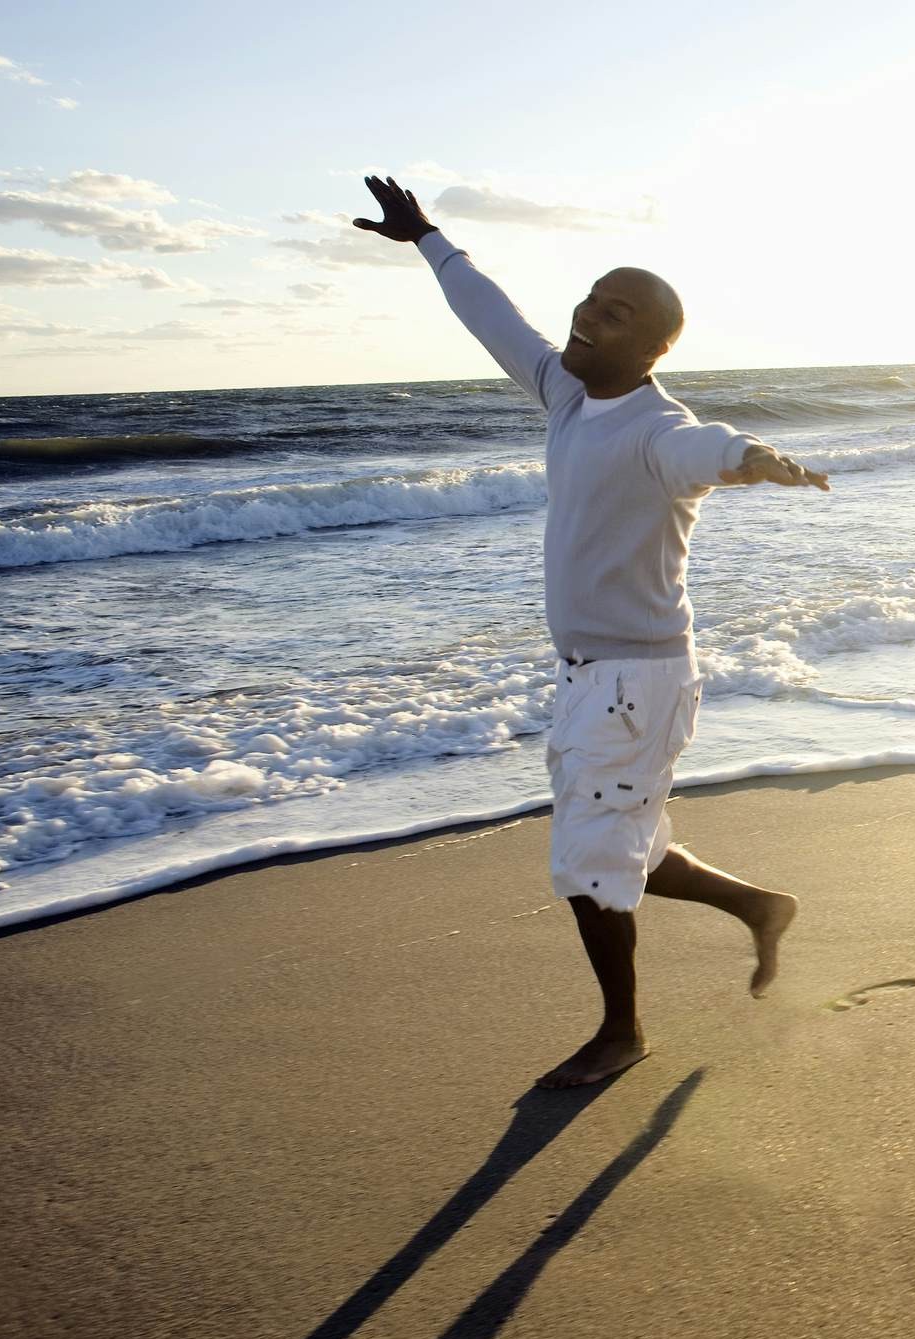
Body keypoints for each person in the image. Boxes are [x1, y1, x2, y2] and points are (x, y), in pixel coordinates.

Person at [355, 175, 830, 1089]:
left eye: (613, 315)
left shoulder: (659, 429)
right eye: (589, 300)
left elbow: (707, 448)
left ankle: (623, 1031)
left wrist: (754, 459)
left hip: (634, 684)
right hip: (594, 679)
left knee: (586, 863)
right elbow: (493, 317)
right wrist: (428, 240)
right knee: (628, 846)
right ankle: (759, 906)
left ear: (650, 348)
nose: (586, 319)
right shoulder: (568, 395)